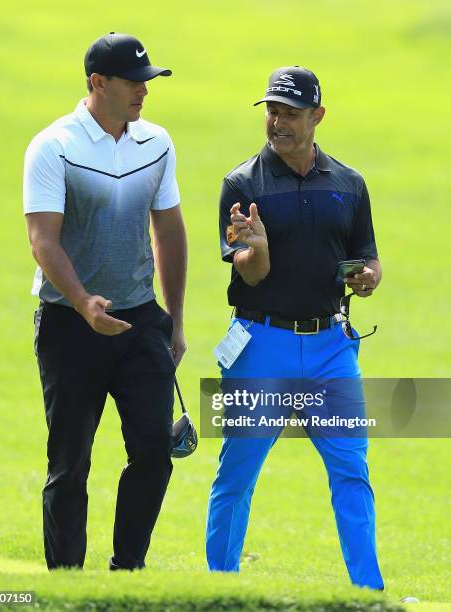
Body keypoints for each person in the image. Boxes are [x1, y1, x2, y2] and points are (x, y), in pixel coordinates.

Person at [206, 66, 384, 590]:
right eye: (272, 111)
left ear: (317, 117)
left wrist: (369, 277)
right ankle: (221, 589)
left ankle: (368, 592)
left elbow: (365, 257)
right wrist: (256, 250)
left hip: (333, 347)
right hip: (260, 343)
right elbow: (250, 274)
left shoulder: (348, 184)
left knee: (352, 471)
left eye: (290, 112)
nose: (277, 122)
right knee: (237, 474)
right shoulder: (241, 184)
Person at [23, 32, 187, 571]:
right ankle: (67, 582)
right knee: (70, 464)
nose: (145, 91)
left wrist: (175, 320)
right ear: (98, 83)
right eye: (134, 82)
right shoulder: (55, 146)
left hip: (140, 321)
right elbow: (43, 240)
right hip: (71, 324)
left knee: (153, 452)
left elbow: (168, 231)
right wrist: (84, 302)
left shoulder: (157, 142)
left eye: (148, 81)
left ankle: (127, 572)